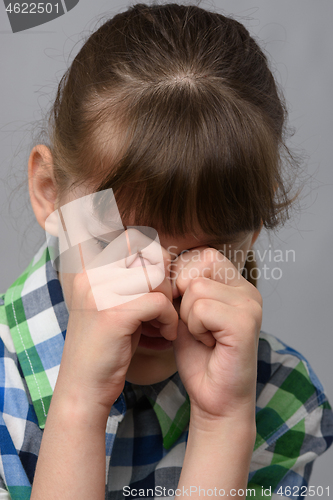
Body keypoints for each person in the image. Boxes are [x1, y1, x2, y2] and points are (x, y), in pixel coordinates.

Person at [0, 3, 332, 500]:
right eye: (124, 243)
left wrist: (222, 424)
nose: (162, 287)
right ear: (50, 191)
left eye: (206, 252)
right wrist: (78, 405)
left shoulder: (279, 400)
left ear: (252, 233)